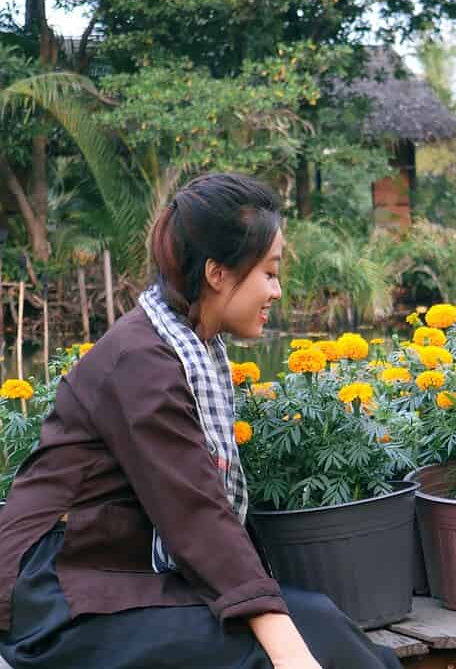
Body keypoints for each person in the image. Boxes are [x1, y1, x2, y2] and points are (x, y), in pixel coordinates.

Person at [0, 174, 401, 668]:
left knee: (321, 624)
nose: (277, 291)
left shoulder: (187, 348)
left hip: (115, 575)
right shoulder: (141, 361)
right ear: (217, 273)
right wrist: (292, 653)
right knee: (287, 645)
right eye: (269, 273)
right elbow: (194, 512)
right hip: (58, 596)